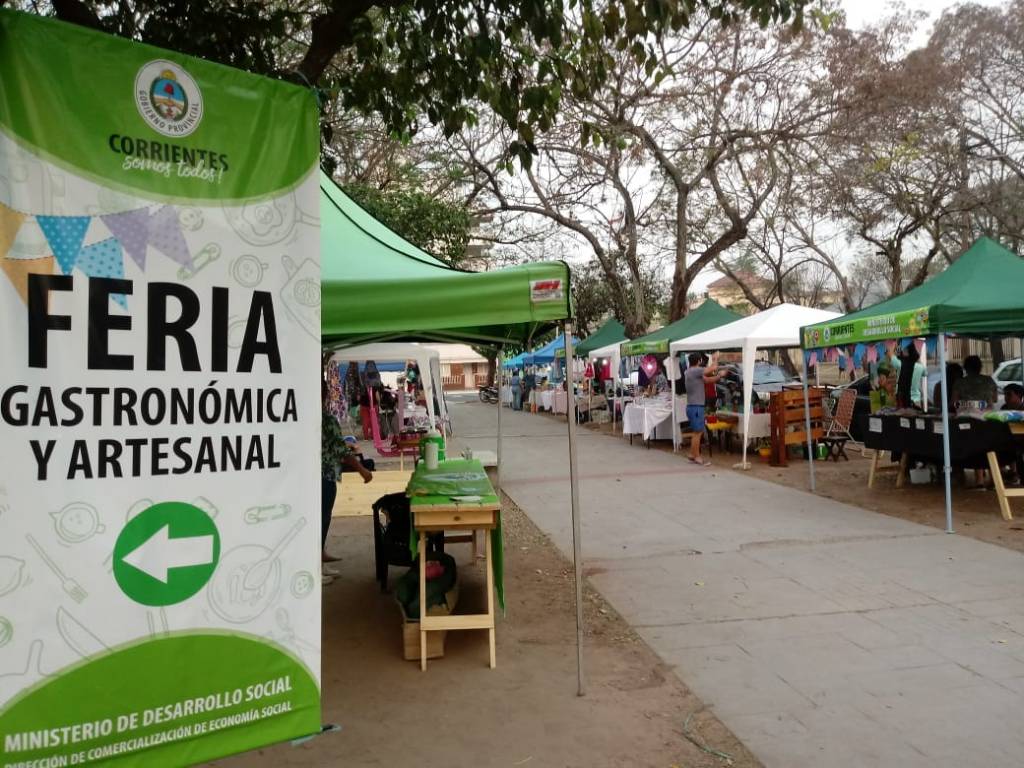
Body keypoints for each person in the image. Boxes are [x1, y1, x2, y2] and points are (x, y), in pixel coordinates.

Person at [322, 375, 372, 583]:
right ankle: (316, 565)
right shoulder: (327, 420)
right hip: (324, 475)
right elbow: (340, 450)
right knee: (322, 517)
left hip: (313, 476)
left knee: (321, 517)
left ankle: (320, 556)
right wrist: (361, 469)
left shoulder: (304, 418)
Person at [684, 352, 726, 466]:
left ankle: (692, 454)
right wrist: (715, 358)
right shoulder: (695, 370)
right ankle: (697, 456)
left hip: (692, 406)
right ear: (699, 361)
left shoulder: (689, 372)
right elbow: (713, 368)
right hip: (696, 407)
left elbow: (708, 380)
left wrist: (719, 376)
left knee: (696, 432)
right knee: (698, 432)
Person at [895, 343, 926, 409]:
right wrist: (919, 361)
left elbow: (894, 358)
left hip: (904, 398)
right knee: (916, 413)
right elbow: (925, 373)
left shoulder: (901, 364)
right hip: (916, 398)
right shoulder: (920, 367)